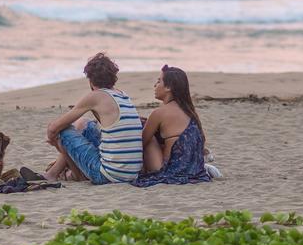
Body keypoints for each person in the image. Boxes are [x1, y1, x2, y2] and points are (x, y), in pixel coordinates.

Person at [43, 52, 143, 184]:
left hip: (108, 176)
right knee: (84, 123)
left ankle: (69, 174)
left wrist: (54, 140)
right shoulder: (122, 95)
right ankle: (56, 172)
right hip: (131, 174)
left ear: (90, 79)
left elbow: (54, 128)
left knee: (63, 131)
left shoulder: (96, 96)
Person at [134, 64, 211, 186]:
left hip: (170, 171)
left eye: (159, 81)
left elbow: (140, 143)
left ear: (168, 87)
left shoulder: (159, 113)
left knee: (145, 131)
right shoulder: (189, 111)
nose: (155, 85)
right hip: (194, 169)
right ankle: (207, 168)